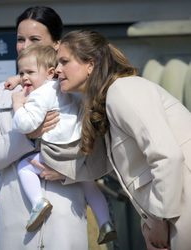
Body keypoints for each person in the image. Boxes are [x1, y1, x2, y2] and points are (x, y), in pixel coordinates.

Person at [54, 29, 191, 250]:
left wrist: (158, 219)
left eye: (64, 61)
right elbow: (99, 165)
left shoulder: (124, 90)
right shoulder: (108, 99)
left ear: (90, 64)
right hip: (174, 212)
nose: (57, 70)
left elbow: (167, 156)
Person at [0, 7, 104, 250]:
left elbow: (99, 157)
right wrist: (26, 135)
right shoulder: (0, 94)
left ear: (57, 45)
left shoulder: (75, 92)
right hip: (18, 228)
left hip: (65, 222)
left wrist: (67, 173)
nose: (25, 45)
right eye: (20, 39)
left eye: (35, 39)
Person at [6, 43, 116, 243]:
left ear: (50, 72)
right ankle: (105, 222)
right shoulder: (65, 87)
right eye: (21, 73)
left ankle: (38, 203)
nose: (24, 78)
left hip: (57, 151)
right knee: (89, 184)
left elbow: (25, 124)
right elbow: (38, 75)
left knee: (24, 167)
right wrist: (22, 78)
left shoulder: (40, 95)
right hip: (78, 147)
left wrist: (18, 106)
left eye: (29, 72)